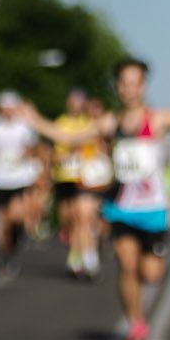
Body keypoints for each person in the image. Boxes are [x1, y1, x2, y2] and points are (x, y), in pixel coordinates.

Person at [14, 62, 170, 340]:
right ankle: (136, 322)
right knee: (127, 266)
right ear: (117, 87)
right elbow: (69, 137)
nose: (130, 89)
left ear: (144, 86)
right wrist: (35, 120)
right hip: (120, 208)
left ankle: (139, 311)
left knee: (151, 273)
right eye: (124, 83)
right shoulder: (111, 123)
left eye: (135, 83)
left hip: (153, 210)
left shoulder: (158, 120)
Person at [0, 91, 41, 277]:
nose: (8, 112)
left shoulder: (24, 126)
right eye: (5, 108)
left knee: (17, 216)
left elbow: (34, 148)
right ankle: (6, 254)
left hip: (20, 178)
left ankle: (17, 241)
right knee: (2, 224)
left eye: (11, 108)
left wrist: (24, 155)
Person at [50, 89, 106, 280]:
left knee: (81, 218)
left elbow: (96, 145)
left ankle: (88, 261)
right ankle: (77, 255)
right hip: (64, 176)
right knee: (68, 220)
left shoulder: (88, 123)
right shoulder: (60, 123)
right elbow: (56, 150)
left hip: (82, 179)